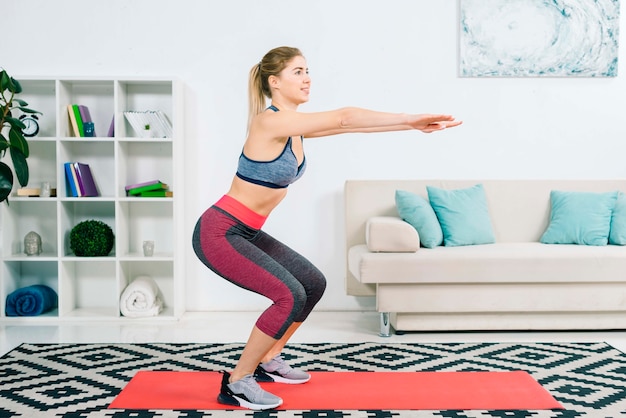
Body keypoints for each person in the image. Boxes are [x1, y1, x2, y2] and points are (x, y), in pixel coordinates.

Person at [192, 46, 462, 410]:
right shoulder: (268, 122)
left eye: (307, 71)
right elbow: (345, 118)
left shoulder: (295, 128)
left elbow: (353, 127)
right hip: (220, 232)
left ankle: (269, 358)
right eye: (298, 72)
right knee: (288, 294)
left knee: (312, 283)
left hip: (247, 232)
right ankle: (239, 379)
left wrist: (409, 125)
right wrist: (409, 116)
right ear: (274, 81)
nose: (307, 79)